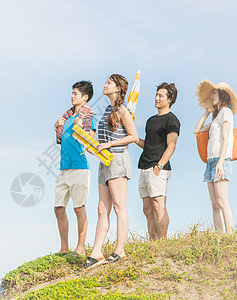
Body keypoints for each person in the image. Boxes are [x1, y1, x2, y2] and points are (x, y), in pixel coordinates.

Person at [83, 74, 138, 269]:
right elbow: (103, 137)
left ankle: (119, 250)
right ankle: (97, 251)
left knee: (118, 207)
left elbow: (133, 136)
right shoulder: (107, 109)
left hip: (118, 159)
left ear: (117, 88)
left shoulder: (123, 110)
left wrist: (109, 144)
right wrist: (94, 146)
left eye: (109, 83)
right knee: (101, 209)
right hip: (104, 161)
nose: (104, 85)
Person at [53, 80, 97, 255]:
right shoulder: (67, 117)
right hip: (63, 168)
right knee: (58, 208)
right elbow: (60, 140)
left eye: (76, 94)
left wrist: (81, 129)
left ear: (85, 97)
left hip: (79, 167)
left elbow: (91, 141)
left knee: (79, 208)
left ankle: (80, 247)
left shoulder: (88, 116)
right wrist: (56, 126)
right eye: (72, 93)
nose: (72, 96)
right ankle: (64, 248)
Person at [194, 80, 237, 234]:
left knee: (222, 201)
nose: (212, 95)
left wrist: (220, 162)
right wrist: (207, 111)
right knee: (214, 203)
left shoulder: (226, 113)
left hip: (221, 161)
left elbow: (226, 139)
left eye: (214, 93)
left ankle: (230, 235)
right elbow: (197, 130)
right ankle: (218, 236)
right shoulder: (216, 117)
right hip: (210, 162)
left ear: (222, 95)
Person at [135, 82, 180, 240]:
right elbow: (147, 145)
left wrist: (159, 166)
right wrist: (134, 139)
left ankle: (162, 242)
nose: (156, 98)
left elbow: (171, 146)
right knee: (147, 209)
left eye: (161, 96)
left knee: (158, 206)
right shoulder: (150, 121)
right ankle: (153, 242)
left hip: (158, 168)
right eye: (156, 95)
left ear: (169, 99)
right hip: (144, 166)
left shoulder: (172, 120)